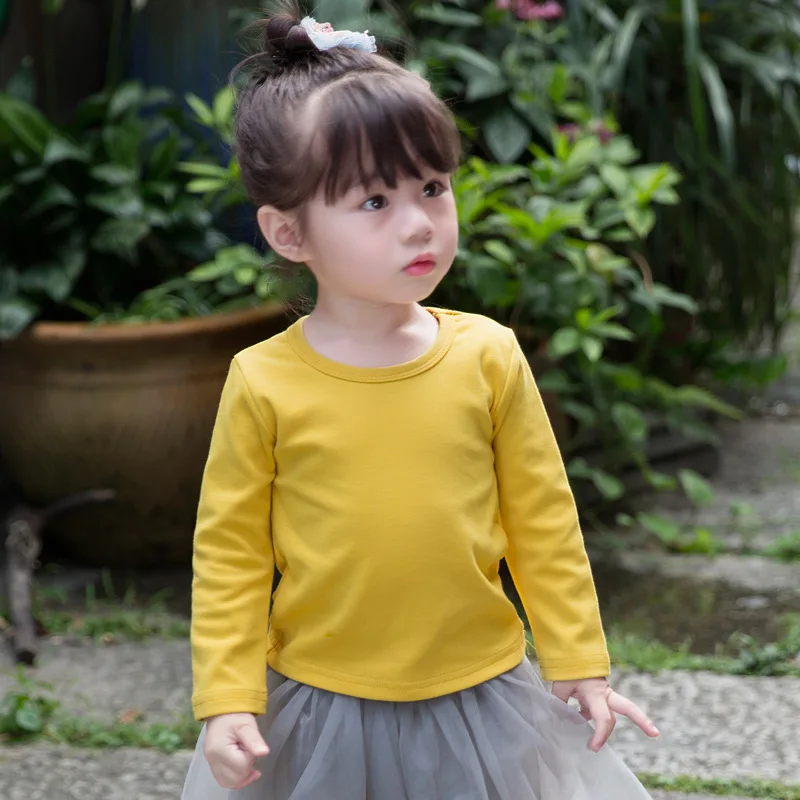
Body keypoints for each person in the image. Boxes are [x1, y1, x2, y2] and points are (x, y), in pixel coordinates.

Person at [181, 3, 660, 798]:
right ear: (290, 233)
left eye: (433, 187)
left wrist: (578, 661)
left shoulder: (487, 357)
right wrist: (227, 697)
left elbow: (543, 522)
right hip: (320, 704)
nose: (419, 225)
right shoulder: (264, 381)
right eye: (375, 201)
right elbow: (231, 555)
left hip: (482, 698)